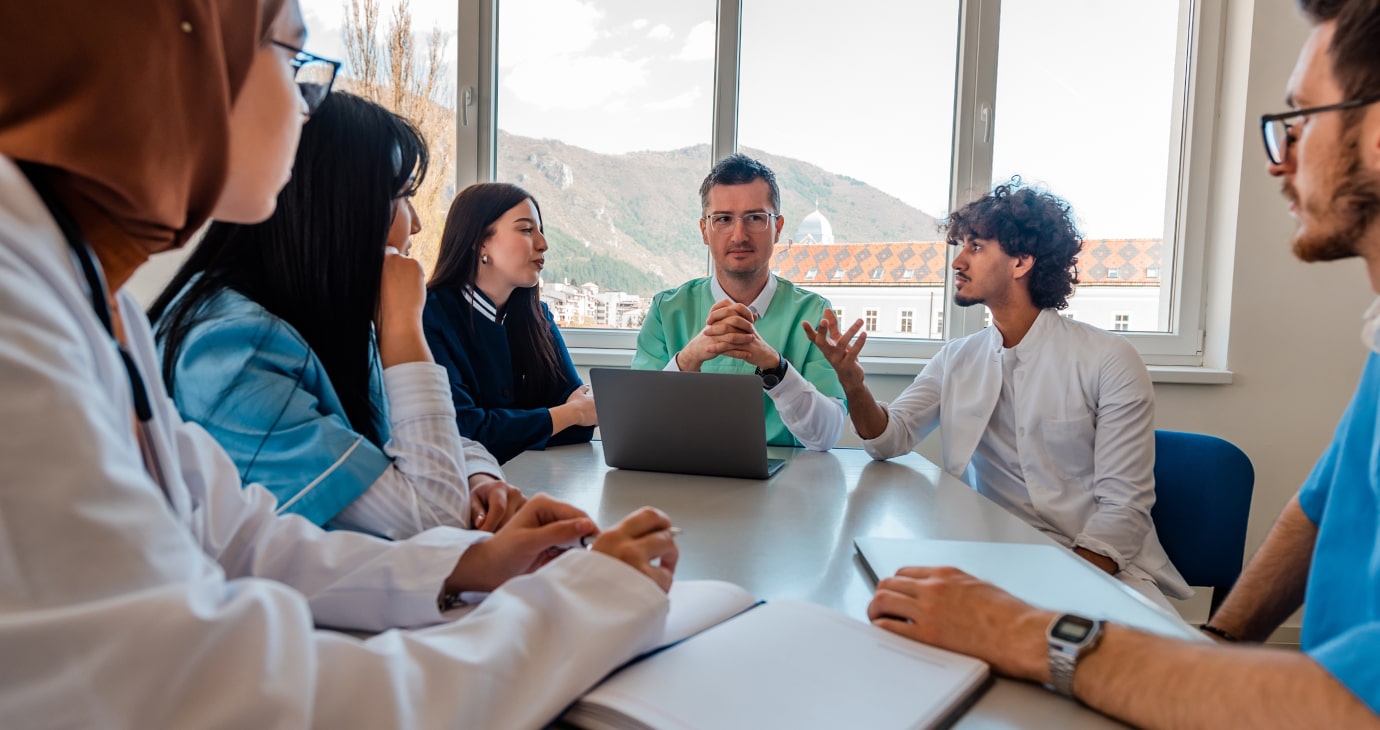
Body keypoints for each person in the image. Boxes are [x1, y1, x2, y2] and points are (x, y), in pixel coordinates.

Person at [0, 1, 681, 726]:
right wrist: (572, 612)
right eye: (292, 59)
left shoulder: (97, 304)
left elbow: (237, 537)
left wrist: (466, 566)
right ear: (173, 56)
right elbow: (212, 694)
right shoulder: (33, 317)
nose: (306, 105)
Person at [866, 1, 1380, 726]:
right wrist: (1222, 639)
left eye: (1300, 120)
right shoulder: (1378, 349)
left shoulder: (1104, 358)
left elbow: (1354, 706)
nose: (1280, 157)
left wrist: (1021, 629)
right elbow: (1317, 510)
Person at [150, 92, 520, 537]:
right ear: (341, 207)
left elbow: (406, 433)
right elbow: (430, 523)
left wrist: (478, 475)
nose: (416, 224)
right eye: (403, 197)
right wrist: (403, 328)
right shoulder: (233, 353)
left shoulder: (316, 320)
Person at [807, 181, 1189, 607]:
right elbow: (887, 440)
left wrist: (1050, 595)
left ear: (1021, 261)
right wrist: (853, 384)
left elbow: (1124, 511)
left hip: (1097, 565)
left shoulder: (1109, 358)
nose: (958, 260)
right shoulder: (957, 357)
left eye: (975, 246)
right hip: (989, 557)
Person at [632, 153, 846, 450]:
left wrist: (775, 368)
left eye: (756, 218)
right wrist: (687, 360)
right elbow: (638, 425)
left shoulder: (814, 314)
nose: (739, 235)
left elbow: (826, 436)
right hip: (684, 480)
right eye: (723, 219)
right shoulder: (666, 311)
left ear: (778, 228)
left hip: (787, 487)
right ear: (704, 230)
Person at [424, 182, 594, 464]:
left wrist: (563, 417)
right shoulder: (430, 316)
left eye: (540, 230)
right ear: (480, 241)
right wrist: (566, 414)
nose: (543, 243)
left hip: (534, 480)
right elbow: (465, 432)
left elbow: (582, 425)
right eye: (527, 230)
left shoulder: (539, 316)